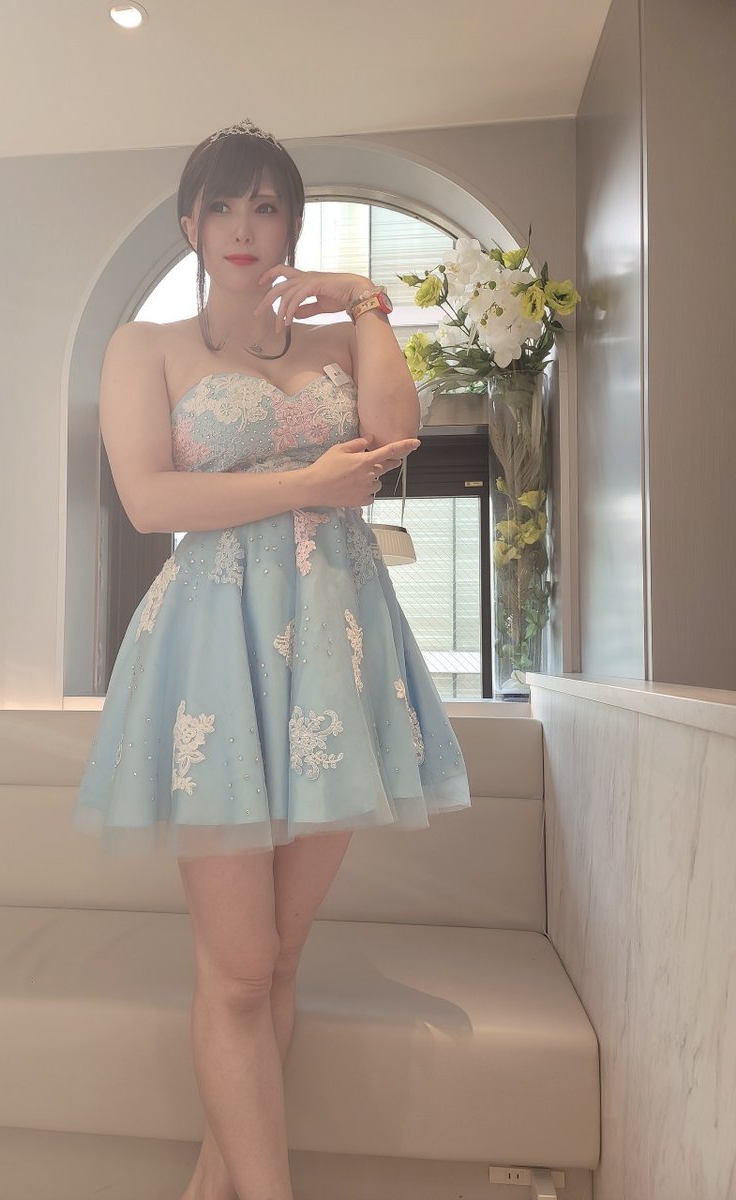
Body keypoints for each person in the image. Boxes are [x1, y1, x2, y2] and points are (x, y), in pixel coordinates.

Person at [72, 118, 472, 1200]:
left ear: (292, 224)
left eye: (266, 206)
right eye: (223, 206)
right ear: (190, 224)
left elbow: (394, 431)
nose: (243, 227)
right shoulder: (145, 347)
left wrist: (365, 299)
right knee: (242, 966)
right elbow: (149, 499)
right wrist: (305, 484)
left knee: (276, 962)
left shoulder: (340, 343)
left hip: (337, 647)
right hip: (216, 647)